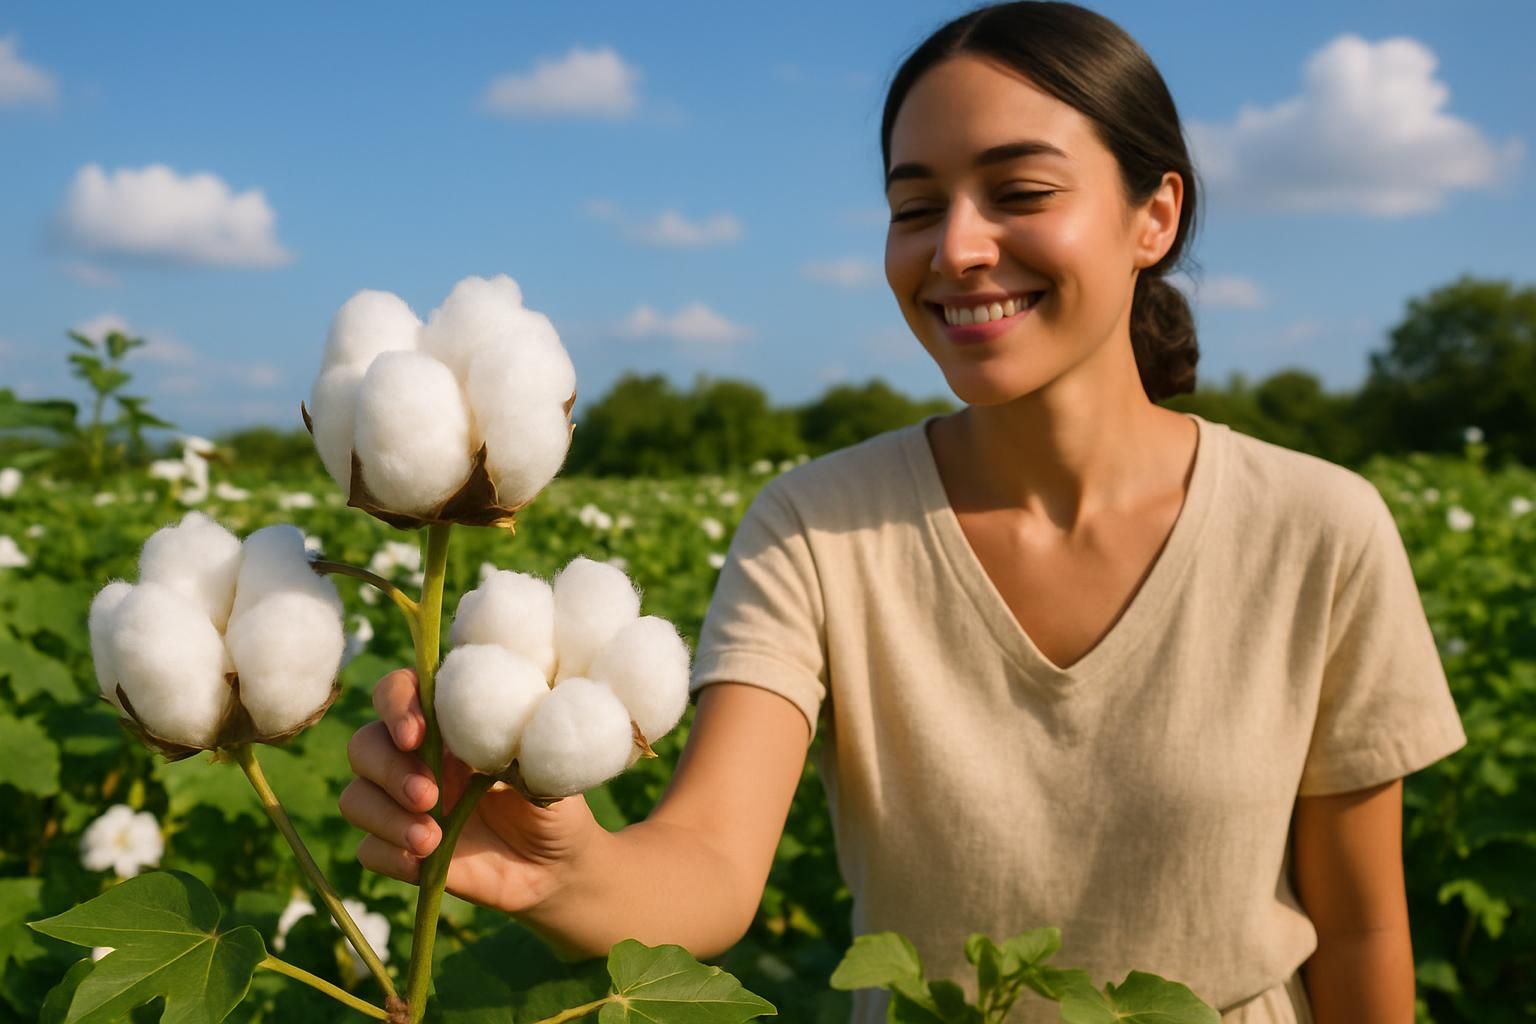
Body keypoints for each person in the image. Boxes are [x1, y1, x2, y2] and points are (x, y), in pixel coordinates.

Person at [340, 4, 1467, 1022]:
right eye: (914, 206)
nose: (957, 248)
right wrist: (562, 866)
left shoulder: (1322, 529)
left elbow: (1364, 929)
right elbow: (711, 865)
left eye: (1021, 192)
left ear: (1154, 215)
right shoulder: (816, 525)